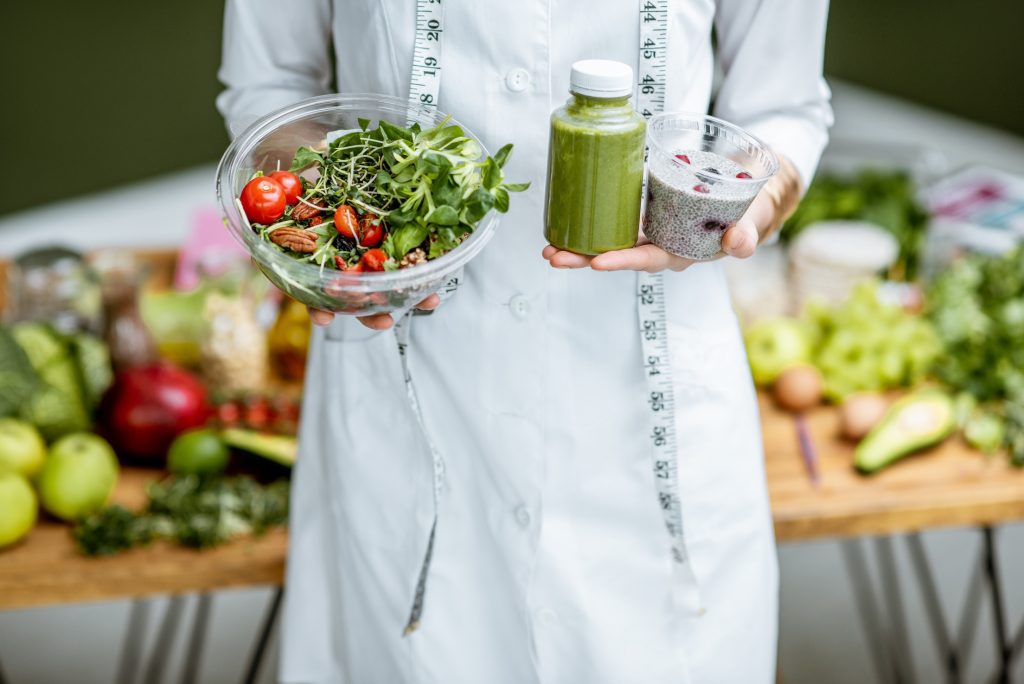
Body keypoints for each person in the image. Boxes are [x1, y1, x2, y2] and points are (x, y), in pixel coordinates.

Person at [218, 1, 832, 682]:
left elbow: (784, 109)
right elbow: (268, 86)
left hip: (643, 398)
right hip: (407, 375)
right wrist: (331, 221)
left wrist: (731, 214)